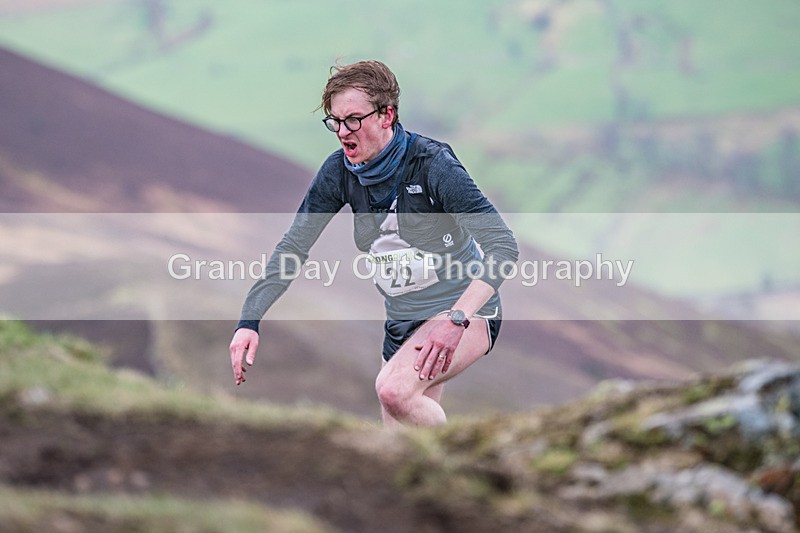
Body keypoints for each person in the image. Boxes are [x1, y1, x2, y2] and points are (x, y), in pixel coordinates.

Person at [229, 60, 518, 427]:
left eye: (353, 119)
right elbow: (294, 247)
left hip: (466, 312)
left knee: (393, 391)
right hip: (401, 321)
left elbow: (504, 247)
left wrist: (455, 321)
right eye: (335, 121)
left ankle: (469, 459)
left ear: (386, 115)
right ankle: (451, 477)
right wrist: (248, 321)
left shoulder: (433, 165)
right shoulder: (338, 173)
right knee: (401, 452)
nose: (342, 131)